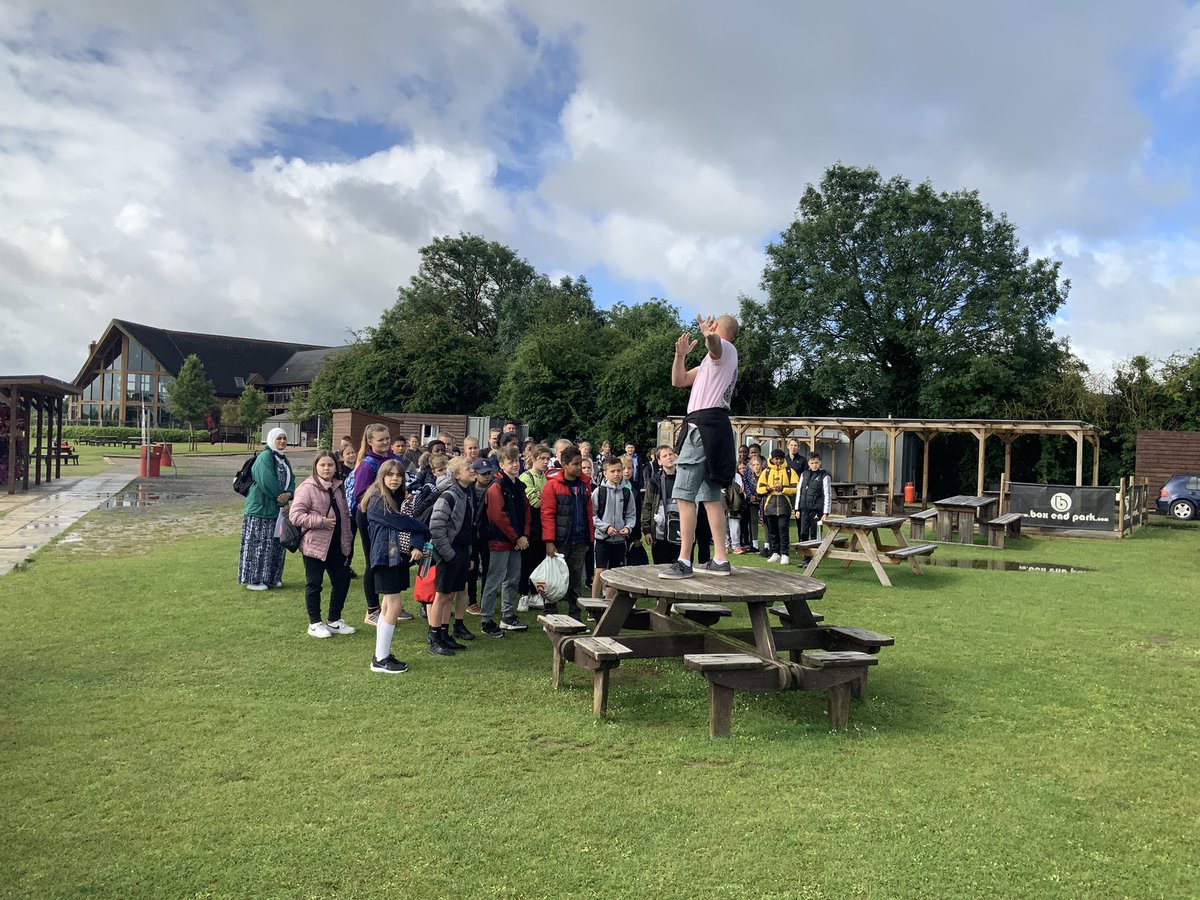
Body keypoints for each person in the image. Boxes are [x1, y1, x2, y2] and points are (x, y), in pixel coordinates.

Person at [660, 315, 739, 579]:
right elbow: (679, 380)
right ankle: (720, 559)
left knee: (683, 495)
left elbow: (715, 346)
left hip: (701, 428)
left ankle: (684, 561)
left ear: (718, 328)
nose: (710, 325)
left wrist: (708, 336)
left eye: (713, 323)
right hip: (714, 430)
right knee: (710, 498)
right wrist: (679, 355)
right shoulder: (710, 363)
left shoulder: (724, 350)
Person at [361, 459, 430, 674]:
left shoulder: (394, 497)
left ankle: (381, 655)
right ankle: (380, 659)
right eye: (390, 474)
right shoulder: (376, 499)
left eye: (398, 475)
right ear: (382, 476)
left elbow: (407, 522)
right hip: (384, 557)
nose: (394, 479)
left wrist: (419, 533)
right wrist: (424, 529)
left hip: (394, 557)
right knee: (393, 606)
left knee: (387, 607)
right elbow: (402, 523)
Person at [350, 424, 413, 625]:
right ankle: (372, 609)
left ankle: (392, 603)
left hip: (391, 515)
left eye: (387, 438)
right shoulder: (367, 465)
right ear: (370, 442)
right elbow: (360, 497)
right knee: (374, 561)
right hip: (371, 518)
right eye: (380, 440)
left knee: (394, 558)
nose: (386, 442)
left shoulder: (391, 460)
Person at [290, 450, 355, 638]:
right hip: (315, 545)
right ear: (316, 466)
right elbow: (295, 515)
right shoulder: (307, 487)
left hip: (337, 545)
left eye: (330, 465)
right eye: (322, 465)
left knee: (342, 582)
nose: (326, 468)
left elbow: (345, 516)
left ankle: (334, 620)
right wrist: (320, 521)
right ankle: (314, 623)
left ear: (336, 467)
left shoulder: (338, 487)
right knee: (314, 584)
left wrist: (348, 541)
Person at [428, 456, 478, 655]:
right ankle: (433, 637)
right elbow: (436, 527)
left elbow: (468, 527)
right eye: (468, 468)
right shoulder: (448, 496)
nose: (472, 470)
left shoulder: (466, 494)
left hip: (461, 551)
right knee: (441, 595)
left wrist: (469, 554)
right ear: (457, 475)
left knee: (451, 594)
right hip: (448, 552)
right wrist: (449, 554)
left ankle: (444, 633)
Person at [479, 445, 530, 636]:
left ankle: (508, 615)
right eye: (511, 462)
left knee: (513, 579)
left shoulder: (519, 485)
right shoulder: (496, 487)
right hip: (499, 541)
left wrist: (523, 536)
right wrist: (517, 536)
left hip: (517, 541)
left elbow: (526, 511)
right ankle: (487, 619)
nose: (515, 465)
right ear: (501, 464)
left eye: (517, 461)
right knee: (494, 580)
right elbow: (497, 516)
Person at [238, 427, 294, 590]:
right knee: (259, 544)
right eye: (279, 438)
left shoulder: (284, 460)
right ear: (271, 440)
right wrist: (282, 499)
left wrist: (289, 494)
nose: (282, 441)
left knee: (276, 543)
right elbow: (266, 481)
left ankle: (272, 577)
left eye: (284, 438)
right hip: (261, 509)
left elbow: (291, 479)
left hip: (276, 510)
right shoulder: (265, 457)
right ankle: (255, 580)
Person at [540, 445, 592, 617]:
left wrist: (589, 537)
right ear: (564, 464)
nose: (579, 467)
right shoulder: (552, 486)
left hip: (579, 539)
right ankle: (550, 613)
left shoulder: (585, 485)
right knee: (554, 579)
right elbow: (547, 514)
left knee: (576, 579)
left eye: (580, 464)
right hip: (560, 541)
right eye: (575, 464)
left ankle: (575, 614)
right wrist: (549, 541)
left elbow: (588, 511)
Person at [592, 457, 635, 597]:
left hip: (619, 540)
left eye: (619, 470)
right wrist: (605, 527)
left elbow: (631, 514)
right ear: (605, 473)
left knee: (615, 573)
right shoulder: (599, 492)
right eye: (612, 471)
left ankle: (608, 603)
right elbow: (592, 515)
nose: (616, 474)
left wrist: (628, 528)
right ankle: (593, 605)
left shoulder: (627, 493)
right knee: (600, 570)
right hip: (602, 538)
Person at [517, 443, 551, 611]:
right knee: (526, 562)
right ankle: (523, 595)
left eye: (547, 459)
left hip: (542, 525)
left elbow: (549, 501)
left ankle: (535, 594)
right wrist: (543, 497)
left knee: (539, 561)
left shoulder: (546, 478)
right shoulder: (525, 477)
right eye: (542, 458)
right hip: (529, 525)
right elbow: (534, 502)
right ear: (533, 459)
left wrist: (542, 496)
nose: (545, 462)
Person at [464, 456, 494, 616]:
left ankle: (485, 600)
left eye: (488, 473)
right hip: (471, 533)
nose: (486, 476)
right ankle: (471, 601)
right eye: (483, 473)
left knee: (489, 567)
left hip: (488, 533)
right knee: (472, 566)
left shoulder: (495, 488)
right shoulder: (468, 489)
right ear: (475, 474)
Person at [642, 445, 682, 565]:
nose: (669, 457)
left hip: (681, 531)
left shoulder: (684, 478)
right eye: (665, 456)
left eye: (671, 454)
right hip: (660, 533)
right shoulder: (654, 481)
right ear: (659, 461)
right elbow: (647, 506)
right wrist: (646, 530)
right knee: (661, 567)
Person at [757, 447, 798, 564]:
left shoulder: (790, 471)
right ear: (772, 459)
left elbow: (796, 488)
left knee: (783, 529)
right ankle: (775, 552)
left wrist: (783, 489)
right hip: (769, 505)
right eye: (776, 459)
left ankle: (785, 553)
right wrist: (768, 489)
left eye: (780, 459)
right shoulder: (766, 471)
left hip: (784, 504)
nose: (778, 461)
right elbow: (759, 488)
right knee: (773, 531)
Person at [794, 451, 832, 564]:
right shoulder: (804, 475)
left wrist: (826, 513)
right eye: (812, 463)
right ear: (808, 463)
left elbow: (827, 495)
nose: (814, 465)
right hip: (804, 509)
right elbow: (799, 492)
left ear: (820, 462)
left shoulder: (824, 476)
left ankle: (814, 560)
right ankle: (806, 558)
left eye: (816, 462)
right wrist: (797, 509)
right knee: (803, 534)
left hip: (816, 510)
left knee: (815, 535)